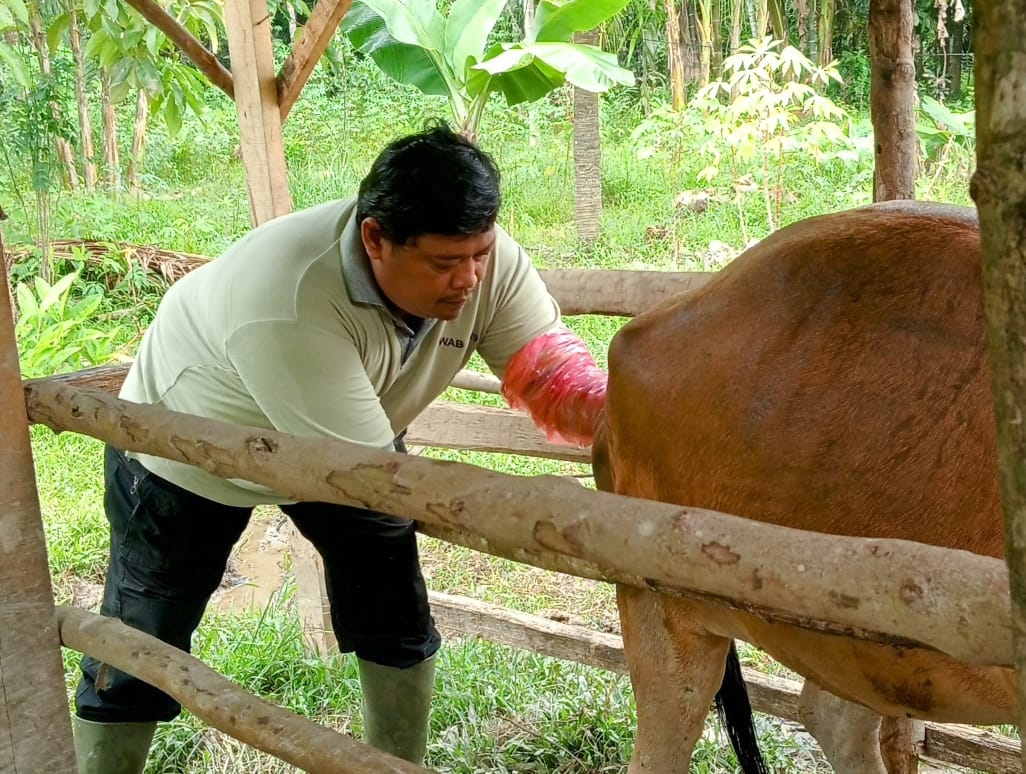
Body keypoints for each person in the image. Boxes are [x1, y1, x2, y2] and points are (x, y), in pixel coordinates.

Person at [71, 123, 607, 773]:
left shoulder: (484, 265)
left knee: (393, 610)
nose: (468, 280)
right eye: (444, 263)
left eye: (479, 254)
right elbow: (377, 480)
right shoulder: (288, 295)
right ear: (375, 238)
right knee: (142, 634)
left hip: (349, 435)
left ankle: (394, 765)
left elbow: (552, 378)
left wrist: (628, 421)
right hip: (186, 443)